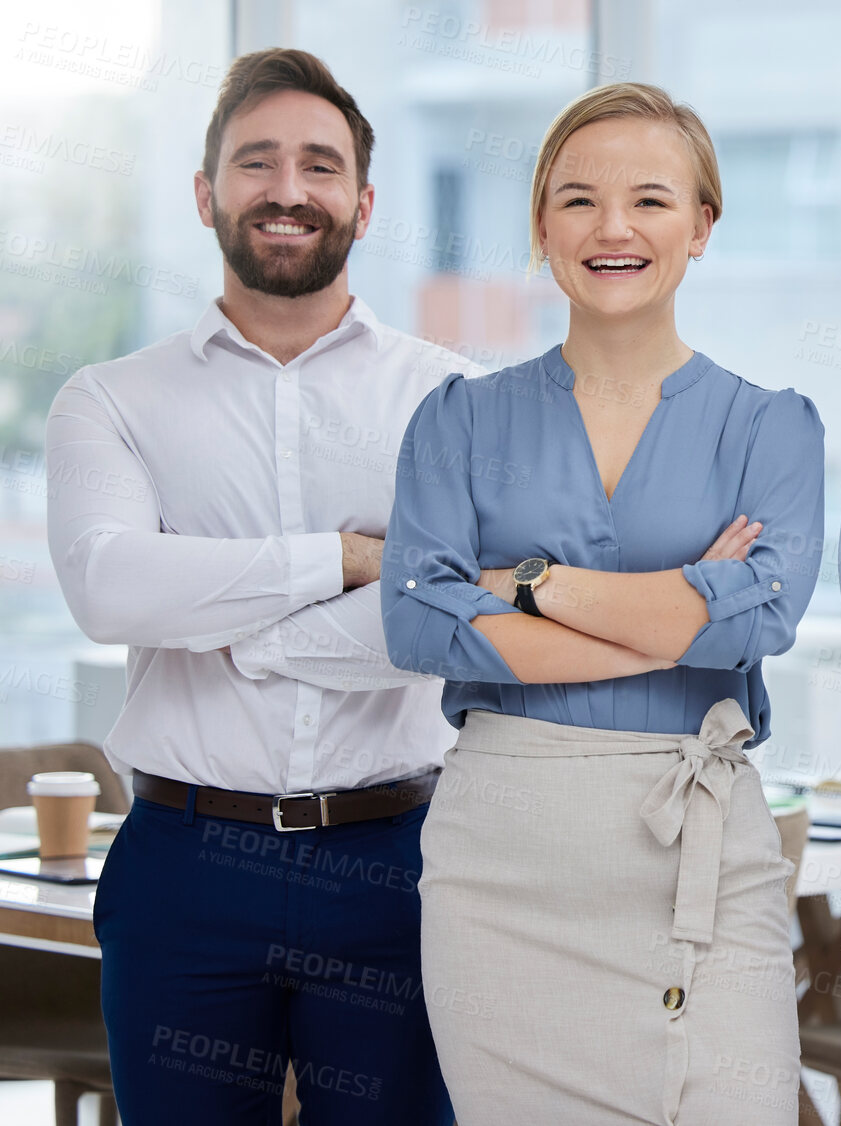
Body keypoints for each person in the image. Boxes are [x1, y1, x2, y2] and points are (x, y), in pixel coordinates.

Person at [44, 48, 477, 1123]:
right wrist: (344, 557)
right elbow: (113, 590)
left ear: (364, 203)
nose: (288, 190)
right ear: (206, 193)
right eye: (257, 162)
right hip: (183, 868)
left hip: (396, 862)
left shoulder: (454, 401)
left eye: (320, 166)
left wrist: (231, 614)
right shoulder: (111, 401)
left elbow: (456, 613)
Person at [380, 82, 823, 1124]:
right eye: (577, 200)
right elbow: (418, 624)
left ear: (702, 225)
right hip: (505, 867)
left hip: (703, 853)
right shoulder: (457, 419)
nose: (612, 228)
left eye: (651, 201)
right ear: (540, 226)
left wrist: (534, 589)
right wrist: (678, 615)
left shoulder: (772, 427)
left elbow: (757, 619)